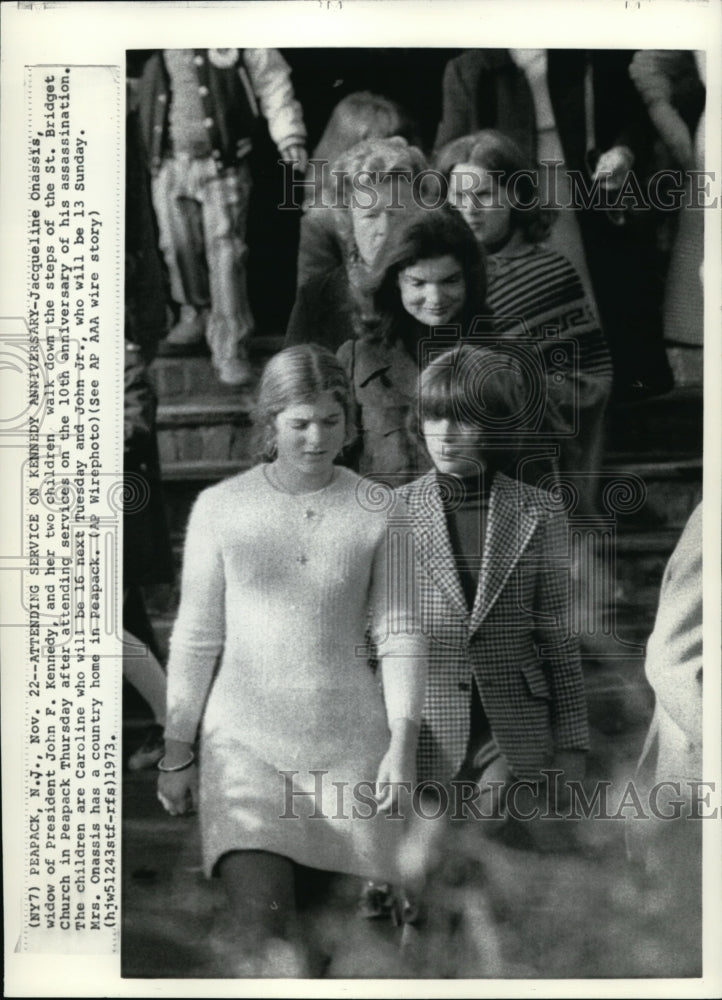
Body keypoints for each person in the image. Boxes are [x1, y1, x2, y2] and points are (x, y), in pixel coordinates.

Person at [157, 344, 428, 975]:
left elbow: (401, 634)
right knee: (266, 943)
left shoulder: (382, 510)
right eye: (299, 422)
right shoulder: (220, 508)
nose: (316, 437)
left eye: (331, 422)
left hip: (351, 751)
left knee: (342, 956)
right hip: (243, 752)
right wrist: (177, 748)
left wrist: (403, 744)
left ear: (350, 423)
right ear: (269, 422)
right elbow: (196, 637)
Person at [398, 345, 589, 842]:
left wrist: (571, 743)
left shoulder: (539, 510)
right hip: (425, 728)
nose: (444, 435)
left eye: (465, 421)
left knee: (491, 837)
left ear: (499, 425)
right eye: (434, 418)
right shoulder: (391, 514)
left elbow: (557, 636)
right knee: (427, 886)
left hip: (513, 729)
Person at [433, 48, 673, 397]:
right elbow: (451, 149)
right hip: (502, 195)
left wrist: (623, 151)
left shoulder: (585, 51)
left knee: (592, 286)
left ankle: (608, 392)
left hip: (585, 185)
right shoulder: (471, 67)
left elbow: (631, 119)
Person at [438, 129, 613, 515]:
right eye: (459, 198)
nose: (470, 210)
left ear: (515, 196)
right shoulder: (438, 273)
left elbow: (588, 377)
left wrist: (507, 389)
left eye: (484, 195)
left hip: (525, 449)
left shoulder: (548, 272)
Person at [137, 48, 308, 386]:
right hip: (170, 164)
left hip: (222, 164)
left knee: (226, 253)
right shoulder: (157, 35)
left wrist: (289, 134)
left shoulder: (239, 34)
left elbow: (273, 80)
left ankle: (231, 343)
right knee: (176, 246)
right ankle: (196, 310)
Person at [337, 204, 491, 485]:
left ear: (469, 279)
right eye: (418, 283)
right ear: (395, 281)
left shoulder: (500, 358)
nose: (435, 297)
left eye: (450, 280)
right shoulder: (356, 361)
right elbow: (331, 470)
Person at [285, 136, 428, 353]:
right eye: (370, 216)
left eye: (398, 214)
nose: (385, 230)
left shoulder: (444, 286)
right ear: (348, 219)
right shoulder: (318, 298)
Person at [296, 92, 422, 287]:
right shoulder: (320, 219)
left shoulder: (418, 190)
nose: (391, 152)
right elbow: (314, 296)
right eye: (378, 143)